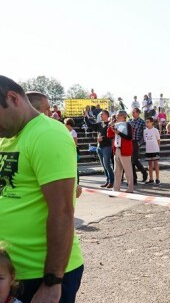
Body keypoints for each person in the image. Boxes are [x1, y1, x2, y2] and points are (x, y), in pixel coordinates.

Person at [0, 76, 84, 302]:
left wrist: (52, 282)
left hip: (40, 275)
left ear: (12, 98)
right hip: (9, 272)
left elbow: (62, 211)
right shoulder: (8, 136)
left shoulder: (48, 134)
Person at [85, 110, 114, 188]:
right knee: (104, 166)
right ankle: (107, 180)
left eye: (102, 114)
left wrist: (103, 138)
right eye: (101, 114)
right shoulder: (99, 124)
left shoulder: (110, 124)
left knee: (107, 165)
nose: (101, 115)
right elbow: (90, 125)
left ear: (107, 115)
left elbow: (112, 135)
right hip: (99, 147)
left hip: (107, 147)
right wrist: (85, 116)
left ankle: (112, 181)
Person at [108, 110, 135, 193]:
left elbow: (129, 137)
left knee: (128, 170)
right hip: (117, 149)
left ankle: (130, 188)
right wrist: (110, 127)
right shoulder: (115, 125)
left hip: (125, 150)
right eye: (116, 115)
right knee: (116, 171)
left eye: (118, 115)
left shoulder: (127, 125)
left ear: (123, 116)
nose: (116, 116)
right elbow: (109, 135)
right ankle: (116, 188)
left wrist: (119, 133)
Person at [129, 108, 149, 185]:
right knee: (131, 161)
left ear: (138, 113)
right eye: (132, 112)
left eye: (134, 112)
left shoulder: (142, 122)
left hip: (136, 142)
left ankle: (144, 172)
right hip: (129, 142)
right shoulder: (130, 121)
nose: (132, 114)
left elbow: (145, 134)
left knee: (134, 160)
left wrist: (139, 143)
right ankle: (134, 178)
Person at [143, 117, 161, 185]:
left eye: (148, 122)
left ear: (152, 122)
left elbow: (158, 139)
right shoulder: (145, 131)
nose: (147, 123)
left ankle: (157, 178)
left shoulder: (155, 130)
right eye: (146, 122)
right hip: (148, 149)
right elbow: (145, 140)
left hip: (155, 149)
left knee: (156, 163)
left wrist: (157, 148)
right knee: (149, 164)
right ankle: (151, 179)